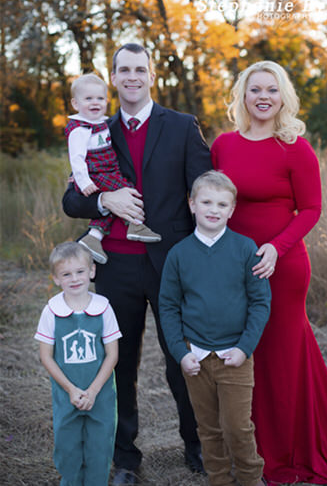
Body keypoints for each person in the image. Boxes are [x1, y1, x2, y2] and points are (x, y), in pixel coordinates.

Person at [211, 60, 327, 484]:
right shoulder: (222, 146)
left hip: (282, 264)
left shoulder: (294, 146)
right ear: (242, 95)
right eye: (255, 89)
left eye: (271, 90)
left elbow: (311, 209)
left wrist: (276, 248)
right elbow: (212, 202)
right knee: (245, 353)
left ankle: (290, 447)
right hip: (234, 265)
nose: (263, 97)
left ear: (283, 97)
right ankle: (249, 444)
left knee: (281, 352)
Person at [62, 43, 212, 484]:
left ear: (151, 75)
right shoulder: (93, 128)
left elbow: (205, 190)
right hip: (114, 267)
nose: (132, 76)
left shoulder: (183, 127)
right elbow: (72, 198)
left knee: (181, 359)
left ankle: (197, 445)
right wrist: (104, 198)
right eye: (123, 69)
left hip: (172, 265)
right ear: (113, 77)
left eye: (139, 69)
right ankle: (125, 457)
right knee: (119, 362)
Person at [159, 170, 271, 486]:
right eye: (206, 201)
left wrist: (244, 348)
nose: (213, 209)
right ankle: (219, 479)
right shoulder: (179, 254)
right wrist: (181, 353)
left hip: (234, 354)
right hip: (196, 359)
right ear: (192, 204)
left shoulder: (246, 249)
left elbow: (260, 303)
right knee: (208, 427)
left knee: (237, 426)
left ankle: (251, 479)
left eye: (222, 204)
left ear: (232, 210)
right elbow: (167, 308)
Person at [34, 242, 122, 485]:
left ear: (92, 271)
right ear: (56, 278)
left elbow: (112, 355)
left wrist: (93, 391)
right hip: (67, 395)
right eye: (66, 274)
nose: (74, 279)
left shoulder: (103, 307)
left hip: (100, 395)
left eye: (80, 271)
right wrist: (72, 390)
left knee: (99, 448)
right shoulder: (52, 310)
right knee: (68, 448)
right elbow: (46, 356)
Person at [64, 73, 161, 264]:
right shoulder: (80, 128)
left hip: (108, 169)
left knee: (113, 205)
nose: (95, 102)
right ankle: (135, 223)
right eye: (88, 99)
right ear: (75, 104)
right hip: (97, 174)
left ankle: (94, 236)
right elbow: (76, 159)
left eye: (100, 98)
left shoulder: (104, 123)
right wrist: (83, 182)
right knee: (128, 191)